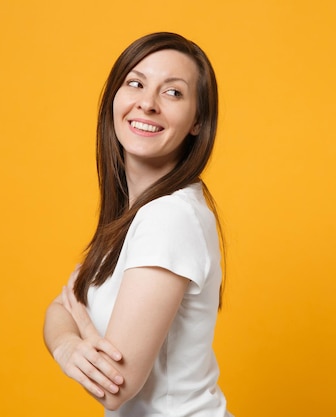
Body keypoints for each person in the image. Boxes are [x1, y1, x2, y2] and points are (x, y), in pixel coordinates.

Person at [43, 32, 232, 417]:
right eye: (136, 83)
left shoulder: (169, 217)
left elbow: (114, 386)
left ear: (198, 121)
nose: (147, 103)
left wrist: (81, 330)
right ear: (115, 96)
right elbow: (61, 307)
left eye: (173, 93)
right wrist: (69, 344)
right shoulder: (134, 216)